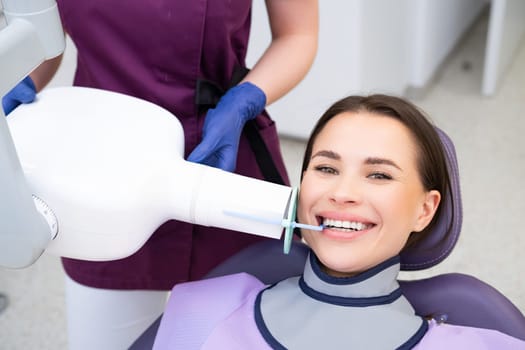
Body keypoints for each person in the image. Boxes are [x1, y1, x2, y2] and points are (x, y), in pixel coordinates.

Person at [2, 1, 319, 348]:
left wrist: (246, 97)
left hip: (220, 154)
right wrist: (16, 78)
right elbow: (43, 40)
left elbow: (297, 34)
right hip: (99, 168)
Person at [152, 94, 525, 349]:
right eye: (326, 168)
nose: (343, 193)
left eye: (379, 175)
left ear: (424, 210)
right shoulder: (203, 310)